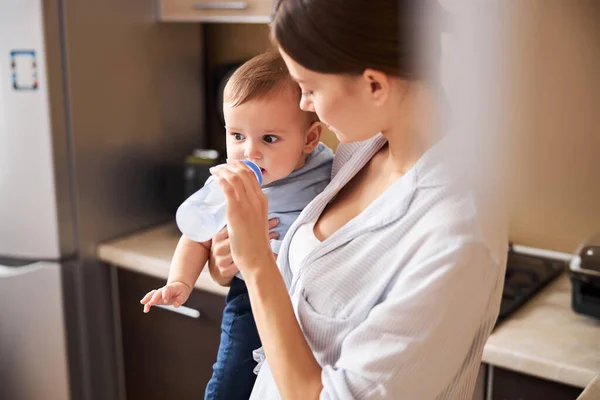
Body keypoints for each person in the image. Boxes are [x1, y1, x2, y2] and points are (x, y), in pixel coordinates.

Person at [206, 0, 508, 399]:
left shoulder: (456, 238)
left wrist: (258, 264)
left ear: (374, 85)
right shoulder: (362, 147)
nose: (304, 105)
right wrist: (230, 258)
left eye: (310, 89)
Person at [140, 51, 334, 400]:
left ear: (310, 139)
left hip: (302, 301)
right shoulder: (227, 183)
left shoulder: (331, 171)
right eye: (237, 136)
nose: (250, 154)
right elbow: (196, 237)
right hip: (248, 297)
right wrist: (179, 282)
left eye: (269, 139)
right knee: (229, 381)